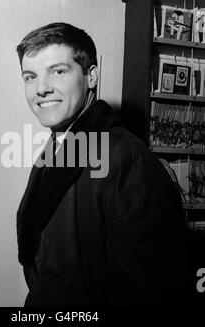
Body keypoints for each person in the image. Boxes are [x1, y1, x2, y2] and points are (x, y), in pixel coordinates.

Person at [16, 22, 191, 307]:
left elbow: (148, 290)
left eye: (58, 71)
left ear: (92, 76)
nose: (41, 89)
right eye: (30, 76)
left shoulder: (126, 159)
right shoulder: (54, 150)